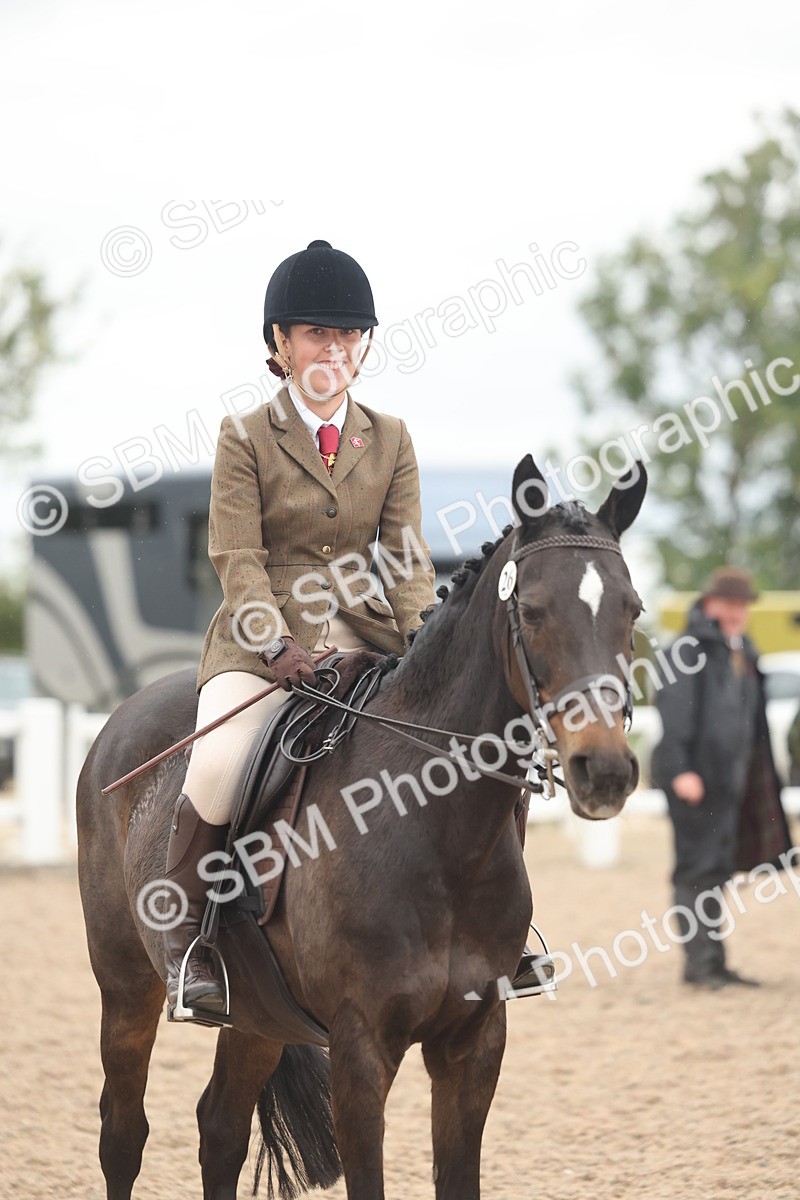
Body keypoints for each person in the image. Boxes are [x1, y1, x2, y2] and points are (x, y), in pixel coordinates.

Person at [162, 239, 437, 1017]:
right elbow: (236, 556)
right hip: (261, 645)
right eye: (318, 333)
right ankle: (192, 948)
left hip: (365, 636)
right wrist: (274, 642)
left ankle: (495, 930)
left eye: (349, 335)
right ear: (280, 345)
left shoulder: (391, 439)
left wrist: (425, 644)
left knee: (459, 736)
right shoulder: (245, 435)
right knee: (217, 766)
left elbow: (406, 560)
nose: (336, 347)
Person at [652, 566, 790, 991]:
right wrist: (681, 771)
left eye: (742, 606)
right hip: (694, 783)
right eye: (730, 605)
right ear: (710, 603)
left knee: (717, 872)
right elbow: (673, 718)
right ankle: (701, 967)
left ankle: (716, 962)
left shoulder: (744, 650)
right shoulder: (686, 650)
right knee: (697, 871)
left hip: (732, 784)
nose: (737, 613)